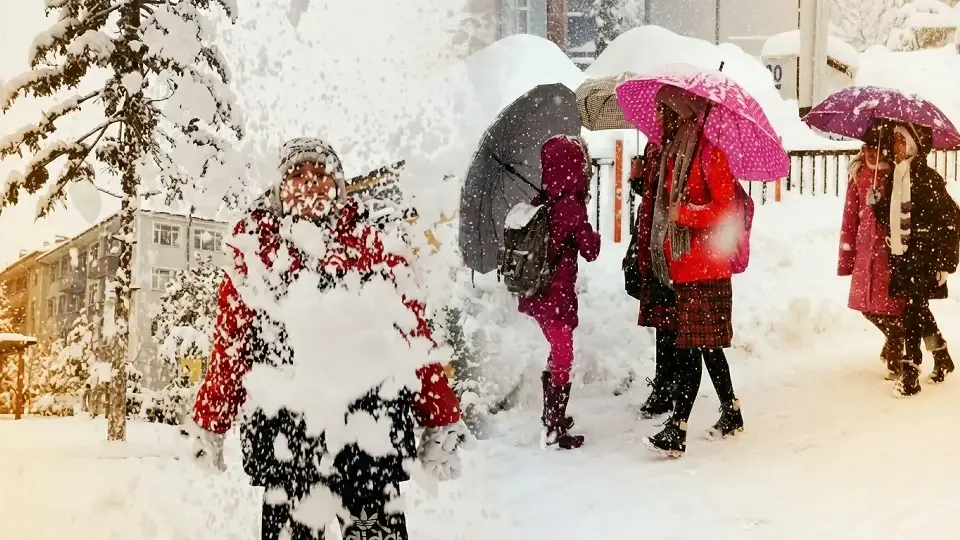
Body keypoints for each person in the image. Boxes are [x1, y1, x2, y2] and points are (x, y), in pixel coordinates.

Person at [180, 137, 470, 540]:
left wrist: (440, 417)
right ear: (280, 187)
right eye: (297, 174)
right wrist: (210, 421)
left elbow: (411, 335)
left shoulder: (374, 246)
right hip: (287, 443)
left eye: (321, 174)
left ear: (339, 186)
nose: (310, 184)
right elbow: (232, 346)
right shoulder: (257, 251)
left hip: (370, 437)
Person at [642, 85, 744, 458]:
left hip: (706, 270)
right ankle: (731, 412)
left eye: (662, 112)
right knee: (708, 349)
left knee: (689, 351)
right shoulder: (674, 155)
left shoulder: (709, 155)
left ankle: (677, 429)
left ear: (680, 113)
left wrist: (684, 214)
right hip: (684, 269)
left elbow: (725, 212)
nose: (657, 119)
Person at [517, 134, 601, 450]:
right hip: (555, 294)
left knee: (557, 351)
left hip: (537, 292)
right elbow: (590, 249)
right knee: (563, 356)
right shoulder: (569, 205)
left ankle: (552, 416)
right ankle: (553, 428)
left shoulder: (545, 200)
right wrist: (590, 232)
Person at [870, 122, 960, 396]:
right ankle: (941, 355)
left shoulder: (927, 177)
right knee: (917, 309)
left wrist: (945, 261)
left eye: (899, 140)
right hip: (904, 255)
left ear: (912, 145)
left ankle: (911, 372)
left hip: (924, 255)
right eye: (894, 140)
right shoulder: (898, 175)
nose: (894, 146)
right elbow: (893, 216)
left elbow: (951, 219)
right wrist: (877, 204)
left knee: (911, 310)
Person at [838, 122, 908, 380]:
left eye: (875, 145)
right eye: (866, 144)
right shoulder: (858, 173)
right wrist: (847, 257)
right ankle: (894, 339)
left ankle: (895, 354)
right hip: (864, 251)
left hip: (889, 251)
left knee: (890, 306)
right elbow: (849, 218)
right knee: (866, 307)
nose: (869, 150)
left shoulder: (897, 173)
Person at [631, 140, 680, 419]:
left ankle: (670, 386)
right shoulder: (654, 145)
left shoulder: (674, 146)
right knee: (663, 321)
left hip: (667, 243)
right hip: (654, 242)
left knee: (671, 320)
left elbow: (668, 194)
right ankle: (666, 384)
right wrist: (639, 179)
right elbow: (652, 194)